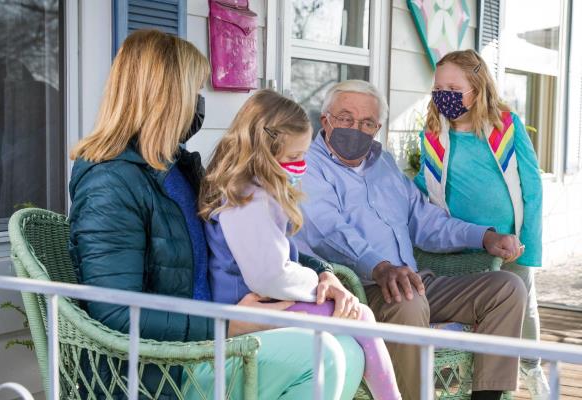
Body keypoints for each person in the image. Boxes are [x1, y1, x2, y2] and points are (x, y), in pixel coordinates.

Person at [68, 30, 364, 399]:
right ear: (165, 97)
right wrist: (223, 325)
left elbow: (255, 242)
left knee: (349, 350)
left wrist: (324, 275)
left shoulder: (176, 168)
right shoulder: (110, 182)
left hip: (207, 345)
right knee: (326, 358)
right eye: (193, 91)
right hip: (161, 368)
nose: (199, 103)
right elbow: (114, 314)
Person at [294, 79, 528, 400]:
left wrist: (483, 237)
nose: (355, 129)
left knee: (507, 288)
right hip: (357, 291)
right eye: (345, 119)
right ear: (325, 120)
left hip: (413, 281)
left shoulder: (384, 164)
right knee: (407, 300)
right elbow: (327, 230)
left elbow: (424, 220)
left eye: (366, 123)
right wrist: (380, 267)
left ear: (376, 128)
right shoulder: (308, 167)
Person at [199, 89, 401, 400]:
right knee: (361, 318)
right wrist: (315, 282)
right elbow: (269, 275)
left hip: (264, 302)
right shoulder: (247, 200)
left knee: (357, 323)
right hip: (250, 307)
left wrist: (322, 275)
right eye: (294, 157)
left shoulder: (254, 192)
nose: (301, 164)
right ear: (264, 153)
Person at [413, 49, 548, 399]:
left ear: (476, 87)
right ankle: (461, 380)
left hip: (511, 242)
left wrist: (528, 245)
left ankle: (530, 367)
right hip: (464, 242)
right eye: (438, 87)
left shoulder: (506, 126)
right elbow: (423, 185)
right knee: (475, 310)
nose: (444, 94)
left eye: (454, 87)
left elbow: (531, 187)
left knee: (522, 310)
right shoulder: (432, 135)